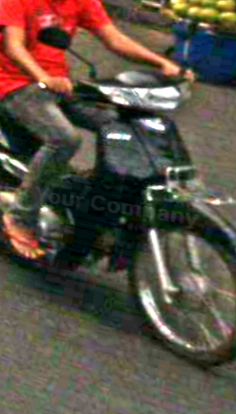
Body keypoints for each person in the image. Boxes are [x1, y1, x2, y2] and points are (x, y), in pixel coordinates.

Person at [0, 0, 195, 259]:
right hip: (15, 85)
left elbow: (114, 39)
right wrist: (42, 77)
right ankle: (20, 216)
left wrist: (162, 63)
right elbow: (13, 46)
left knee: (124, 123)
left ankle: (100, 199)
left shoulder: (82, 2)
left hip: (62, 86)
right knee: (65, 139)